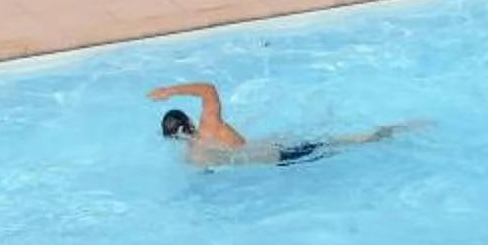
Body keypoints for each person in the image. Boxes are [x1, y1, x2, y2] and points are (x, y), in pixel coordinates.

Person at [146, 81, 419, 168]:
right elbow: (207, 89)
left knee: (338, 144)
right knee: (346, 142)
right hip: (281, 152)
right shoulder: (209, 126)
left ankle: (388, 132)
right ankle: (393, 130)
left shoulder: (192, 157)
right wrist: (169, 90)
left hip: (276, 162)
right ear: (189, 122)